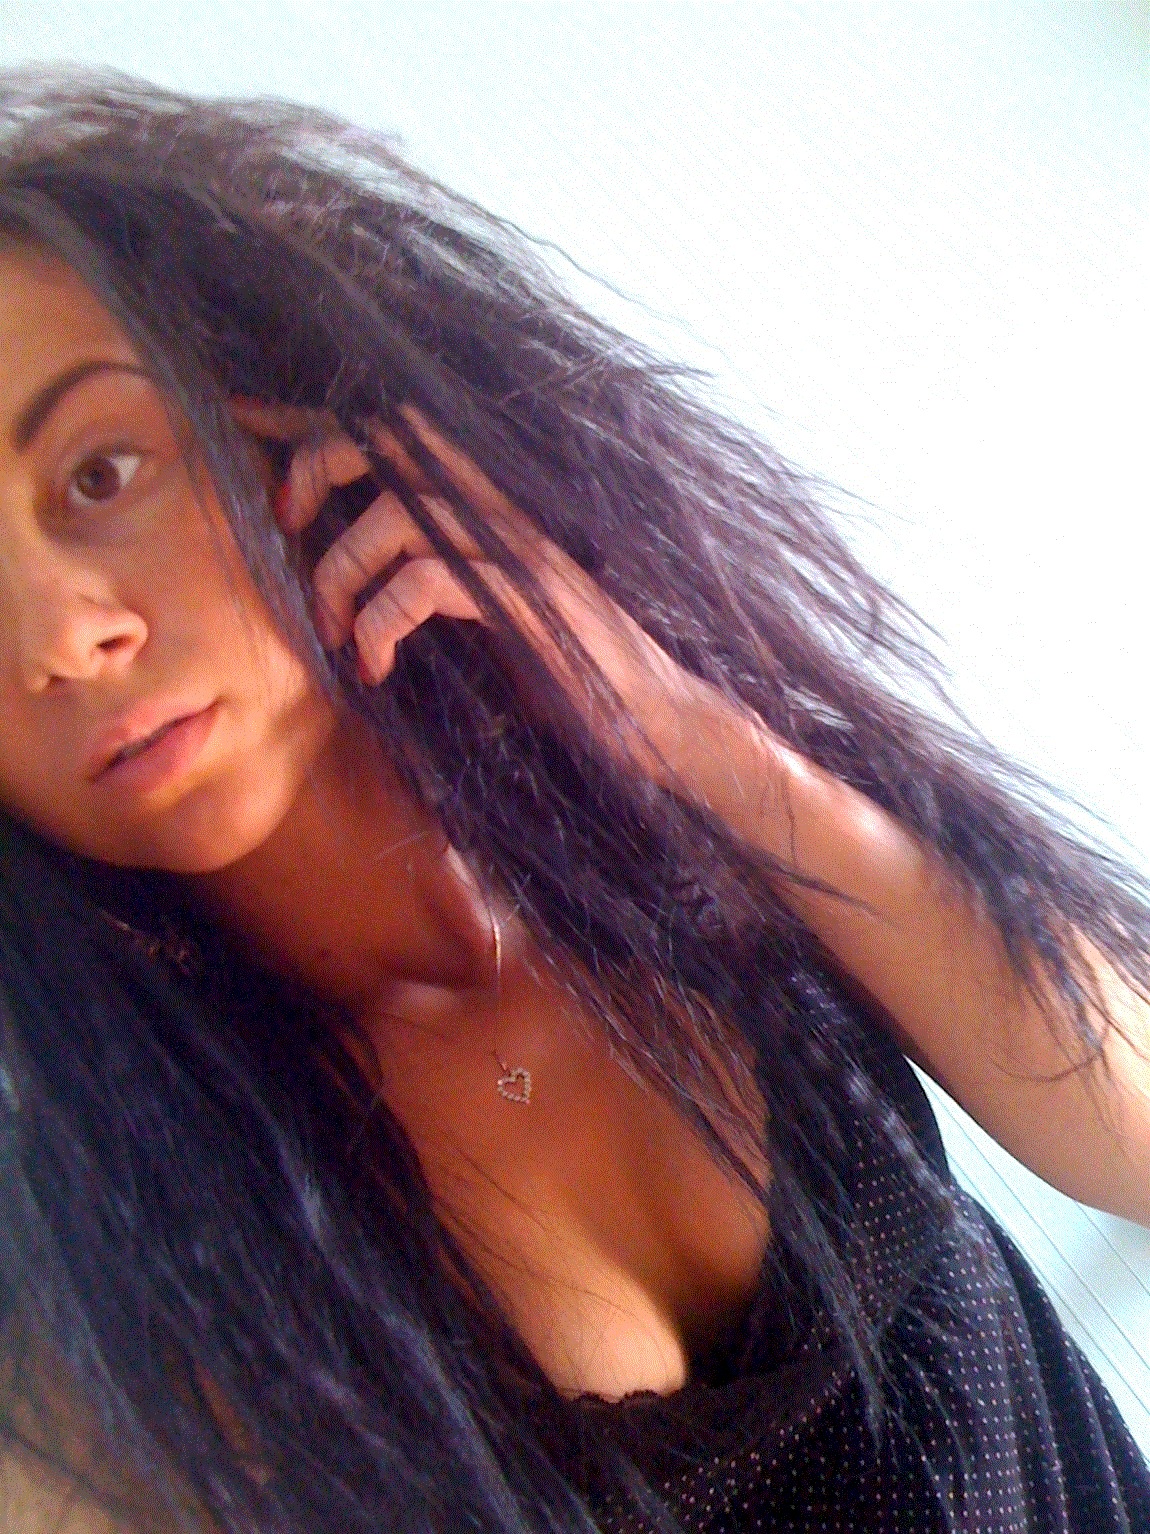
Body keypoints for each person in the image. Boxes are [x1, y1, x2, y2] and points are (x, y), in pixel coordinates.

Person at [0, 66, 1147, 1534]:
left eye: (101, 474)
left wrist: (698, 742)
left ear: (289, 430)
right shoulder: (112, 1273)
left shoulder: (695, 826)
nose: (52, 638)